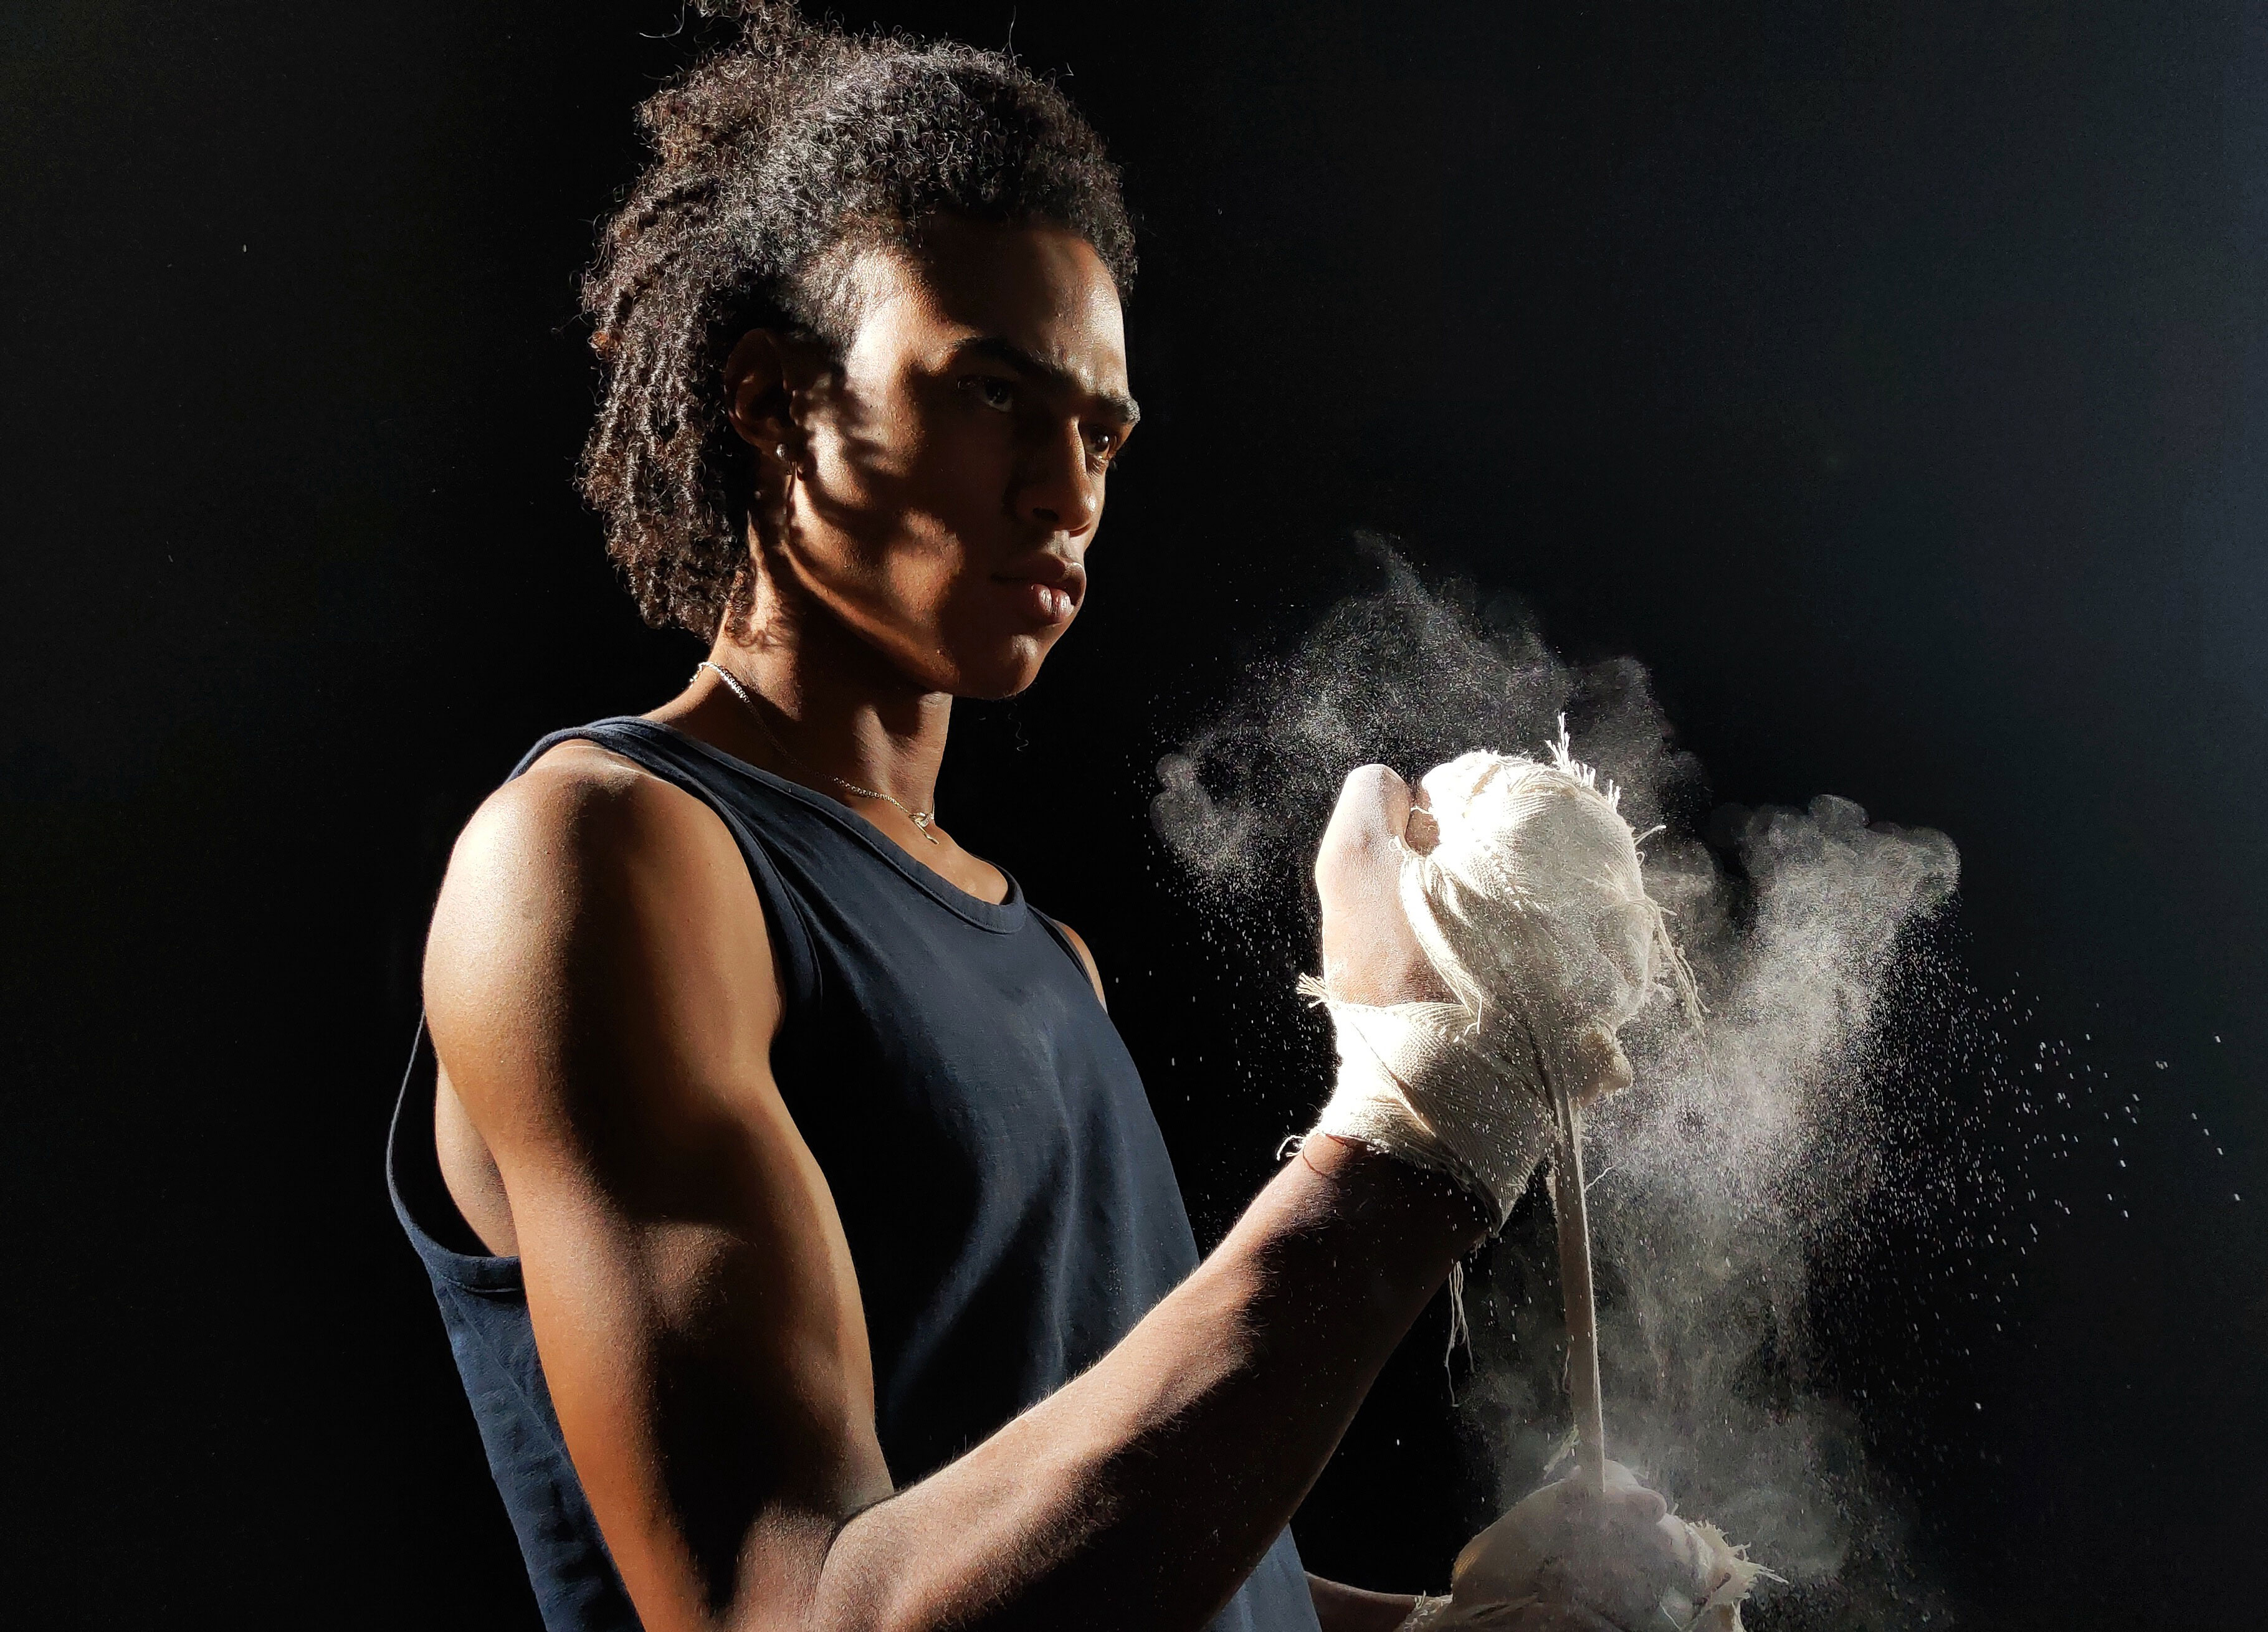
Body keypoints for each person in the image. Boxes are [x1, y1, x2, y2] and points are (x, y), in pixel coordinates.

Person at [390, 7, 1674, 1630]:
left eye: (1102, 433)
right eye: (993, 392)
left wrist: (1450, 1630)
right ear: (774, 403)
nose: (1067, 492)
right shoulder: (600, 859)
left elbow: (1103, 1553)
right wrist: (1416, 1132)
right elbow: (791, 1606)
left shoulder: (1048, 957)